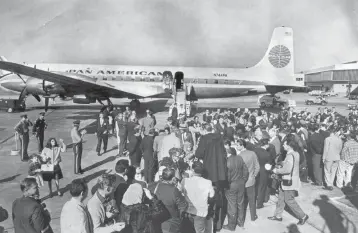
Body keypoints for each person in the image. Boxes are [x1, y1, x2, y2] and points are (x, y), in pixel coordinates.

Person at [268, 137, 309, 225]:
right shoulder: (295, 153)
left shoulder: (290, 155)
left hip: (288, 181)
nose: (283, 145)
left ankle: (303, 216)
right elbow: (291, 165)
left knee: (289, 200)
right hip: (289, 180)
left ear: (289, 146)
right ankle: (278, 216)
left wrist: (276, 170)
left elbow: (287, 170)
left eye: (285, 144)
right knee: (281, 198)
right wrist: (283, 163)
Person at [149, 167, 188, 233]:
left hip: (157, 220)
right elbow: (183, 206)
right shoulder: (174, 190)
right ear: (173, 178)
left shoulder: (154, 186)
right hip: (171, 221)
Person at [181, 161, 215, 233]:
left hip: (188, 210)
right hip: (201, 211)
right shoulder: (208, 182)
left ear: (192, 170)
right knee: (199, 231)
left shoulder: (184, 181)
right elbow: (211, 195)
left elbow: (182, 193)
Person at [223, 146, 249, 231]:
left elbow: (228, 176)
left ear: (228, 153)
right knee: (240, 203)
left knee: (232, 205)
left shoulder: (227, 161)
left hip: (232, 184)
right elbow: (246, 170)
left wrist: (228, 183)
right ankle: (240, 222)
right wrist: (244, 180)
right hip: (241, 183)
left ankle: (231, 226)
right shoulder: (240, 158)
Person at [235, 139, 259, 226]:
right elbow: (257, 166)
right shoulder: (252, 153)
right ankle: (253, 216)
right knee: (252, 200)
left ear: (242, 145)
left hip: (241, 182)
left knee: (241, 201)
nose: (237, 146)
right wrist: (254, 175)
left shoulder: (239, 156)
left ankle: (241, 219)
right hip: (251, 181)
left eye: (237, 145)